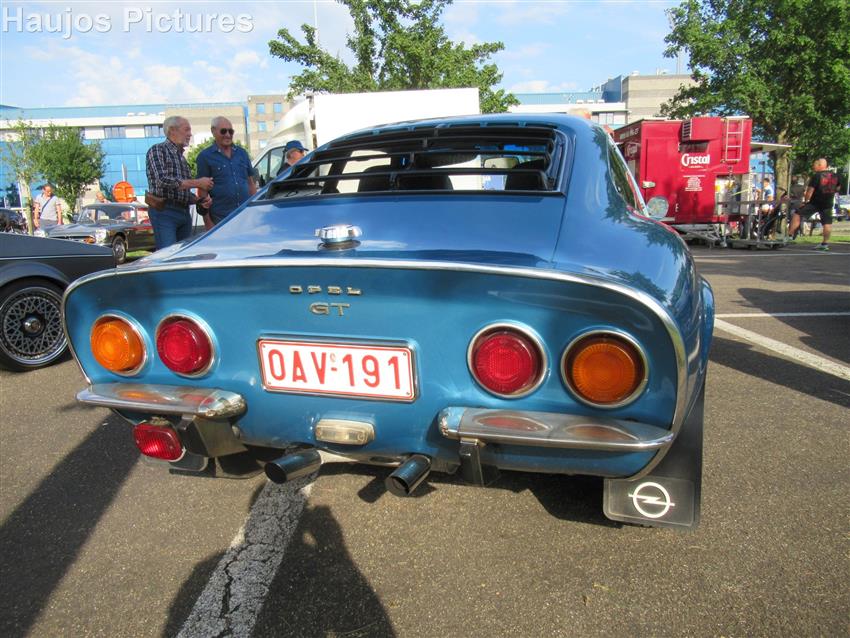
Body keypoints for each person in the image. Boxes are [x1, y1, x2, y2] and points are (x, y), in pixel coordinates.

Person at [145, 116, 213, 249]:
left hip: (183, 212)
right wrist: (198, 183)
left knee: (183, 254)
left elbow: (181, 191)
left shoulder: (182, 159)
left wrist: (199, 200)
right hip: (165, 211)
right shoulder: (157, 150)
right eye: (187, 130)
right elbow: (162, 180)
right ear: (172, 130)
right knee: (168, 253)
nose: (190, 134)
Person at [195, 116, 256, 227]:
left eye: (230, 131)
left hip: (246, 216)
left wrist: (255, 211)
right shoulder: (205, 157)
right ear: (213, 131)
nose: (228, 135)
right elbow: (202, 192)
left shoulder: (242, 153)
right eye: (223, 131)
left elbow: (250, 184)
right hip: (221, 218)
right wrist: (207, 222)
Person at [787, 158, 839, 251]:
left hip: (815, 202)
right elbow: (838, 188)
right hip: (828, 202)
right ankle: (825, 244)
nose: (813, 167)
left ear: (820, 165)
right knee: (827, 223)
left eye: (814, 165)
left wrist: (805, 202)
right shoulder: (835, 175)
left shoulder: (817, 176)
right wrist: (830, 193)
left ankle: (789, 236)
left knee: (797, 214)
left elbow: (810, 191)